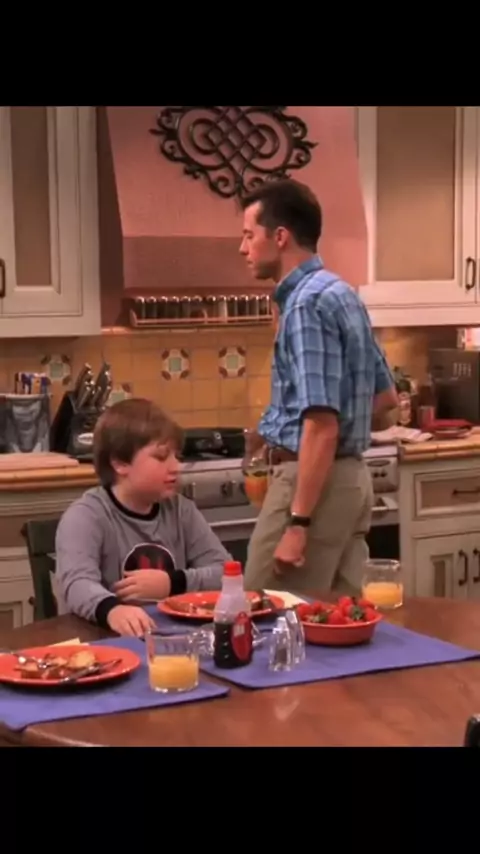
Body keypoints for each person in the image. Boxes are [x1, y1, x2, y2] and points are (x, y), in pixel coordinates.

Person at [238, 178, 398, 594]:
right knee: (339, 621)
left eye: (249, 235)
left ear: (280, 237)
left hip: (312, 486)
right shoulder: (343, 294)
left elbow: (321, 425)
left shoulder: (305, 305)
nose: (242, 248)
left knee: (264, 609)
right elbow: (385, 399)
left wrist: (299, 522)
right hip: (351, 481)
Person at [55, 398, 230, 637]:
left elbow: (226, 573)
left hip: (171, 639)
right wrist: (112, 610)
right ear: (120, 463)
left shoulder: (181, 510)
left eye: (176, 456)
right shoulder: (86, 516)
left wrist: (173, 583)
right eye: (161, 457)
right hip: (103, 641)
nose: (175, 466)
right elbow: (76, 584)